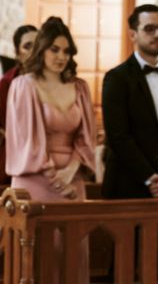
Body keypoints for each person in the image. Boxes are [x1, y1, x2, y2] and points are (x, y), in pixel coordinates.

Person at [5, 17, 95, 283]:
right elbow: (24, 140)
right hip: (34, 180)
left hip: (72, 180)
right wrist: (56, 178)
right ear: (42, 49)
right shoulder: (23, 86)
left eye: (66, 51)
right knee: (38, 254)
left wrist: (71, 171)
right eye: (54, 49)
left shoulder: (80, 87)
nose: (61, 56)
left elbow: (87, 138)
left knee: (72, 253)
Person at [101, 4, 158, 199]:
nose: (157, 34)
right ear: (133, 34)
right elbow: (118, 136)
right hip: (128, 182)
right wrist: (150, 178)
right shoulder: (116, 78)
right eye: (149, 29)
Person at [0, 24, 38, 184]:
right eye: (27, 46)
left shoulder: (55, 80)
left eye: (37, 45)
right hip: (16, 156)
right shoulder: (7, 83)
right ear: (17, 53)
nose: (33, 51)